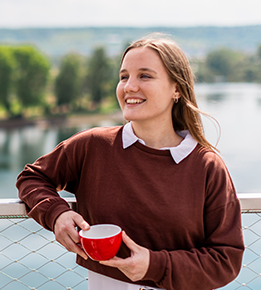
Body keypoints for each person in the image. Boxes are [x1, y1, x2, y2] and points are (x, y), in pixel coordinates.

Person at [16, 35, 244, 290]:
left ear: (176, 89)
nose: (129, 86)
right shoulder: (93, 146)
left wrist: (154, 265)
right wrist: (57, 214)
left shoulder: (206, 167)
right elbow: (32, 178)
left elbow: (226, 260)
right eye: (124, 76)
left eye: (144, 76)